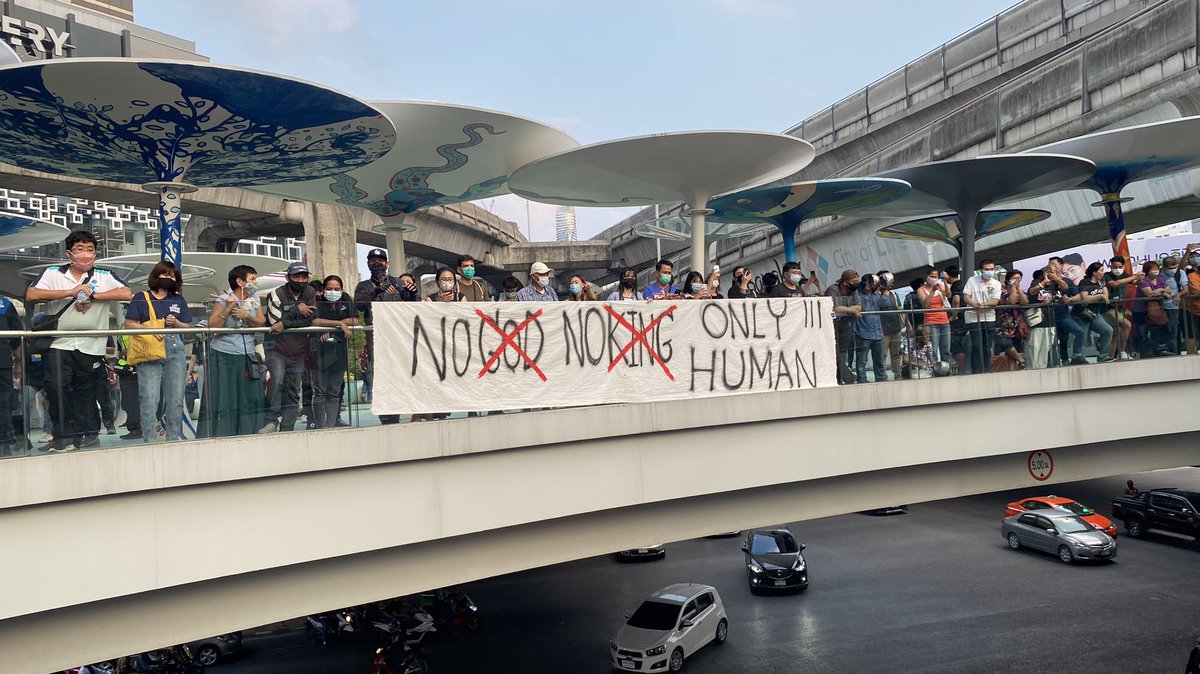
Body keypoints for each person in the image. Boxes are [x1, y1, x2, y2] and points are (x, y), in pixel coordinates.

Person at [26, 230, 132, 452]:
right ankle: (62, 435)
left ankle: (87, 436)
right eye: (80, 250)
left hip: (91, 344)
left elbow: (126, 293)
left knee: (86, 392)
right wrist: (71, 292)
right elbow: (32, 294)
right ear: (69, 253)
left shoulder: (104, 274)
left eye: (90, 250)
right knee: (57, 388)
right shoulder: (53, 272)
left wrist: (94, 295)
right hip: (58, 342)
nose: (85, 255)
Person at [123, 262, 191, 443]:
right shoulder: (141, 296)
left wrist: (175, 323)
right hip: (149, 348)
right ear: (156, 275)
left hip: (175, 348)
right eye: (165, 274)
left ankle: (173, 439)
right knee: (149, 397)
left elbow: (187, 328)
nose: (169, 278)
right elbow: (129, 323)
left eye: (173, 275)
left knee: (176, 398)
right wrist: (150, 330)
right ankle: (149, 441)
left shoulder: (178, 299)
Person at [198, 265, 265, 438]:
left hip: (247, 354)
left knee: (247, 397)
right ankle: (220, 433)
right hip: (224, 354)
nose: (254, 282)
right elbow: (212, 326)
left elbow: (261, 322)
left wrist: (246, 315)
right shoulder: (223, 299)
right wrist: (228, 308)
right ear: (239, 281)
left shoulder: (255, 297)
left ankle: (248, 431)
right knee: (224, 397)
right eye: (251, 279)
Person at [354, 249, 419, 425]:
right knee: (382, 375)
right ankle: (388, 414)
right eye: (373, 261)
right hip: (377, 338)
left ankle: (408, 409)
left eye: (380, 261)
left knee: (402, 372)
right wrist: (376, 291)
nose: (377, 264)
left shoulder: (397, 282)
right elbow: (359, 306)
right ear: (368, 264)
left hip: (398, 336)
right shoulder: (363, 286)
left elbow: (411, 304)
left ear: (387, 263)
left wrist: (413, 294)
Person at [260, 262, 317, 433]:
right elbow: (273, 323)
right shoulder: (276, 294)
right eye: (296, 276)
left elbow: (310, 320)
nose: (300, 280)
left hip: (299, 350)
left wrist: (286, 321)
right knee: (276, 382)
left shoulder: (310, 292)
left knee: (293, 388)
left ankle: (288, 427)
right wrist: (297, 310)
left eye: (304, 276)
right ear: (287, 277)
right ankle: (271, 420)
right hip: (276, 348)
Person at [311, 275, 358, 429]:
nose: (333, 292)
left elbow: (355, 319)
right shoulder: (318, 301)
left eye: (336, 289)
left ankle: (330, 426)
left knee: (334, 391)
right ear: (323, 290)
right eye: (329, 289)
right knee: (320, 392)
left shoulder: (345, 299)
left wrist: (335, 328)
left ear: (342, 289)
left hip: (339, 351)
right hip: (319, 351)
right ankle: (321, 426)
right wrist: (338, 323)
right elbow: (314, 321)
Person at [960, 260, 1002, 375]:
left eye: (992, 269)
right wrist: (974, 305)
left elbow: (995, 301)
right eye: (987, 269)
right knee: (976, 345)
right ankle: (977, 370)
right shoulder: (972, 280)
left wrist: (982, 305)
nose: (989, 271)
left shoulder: (996, 283)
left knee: (987, 346)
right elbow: (966, 297)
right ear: (981, 270)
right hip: (973, 318)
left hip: (989, 318)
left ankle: (987, 369)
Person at [1073, 261, 1115, 364]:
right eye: (1101, 271)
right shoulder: (1084, 282)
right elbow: (1085, 298)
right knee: (1082, 335)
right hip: (1082, 313)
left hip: (1094, 313)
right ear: (1094, 272)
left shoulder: (1102, 282)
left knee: (1107, 330)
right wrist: (1099, 296)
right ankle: (1078, 356)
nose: (1102, 273)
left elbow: (1106, 295)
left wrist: (1099, 297)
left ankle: (1103, 355)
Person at [826, 270, 863, 385]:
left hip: (846, 326)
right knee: (834, 353)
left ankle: (842, 377)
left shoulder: (854, 291)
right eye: (854, 281)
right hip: (833, 326)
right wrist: (850, 310)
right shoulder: (833, 290)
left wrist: (846, 310)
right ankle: (847, 378)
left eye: (857, 281)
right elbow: (834, 308)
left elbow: (859, 306)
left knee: (842, 353)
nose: (856, 283)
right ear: (845, 282)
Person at [852, 274, 888, 383]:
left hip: (878, 332)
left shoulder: (876, 295)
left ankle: (881, 378)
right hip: (863, 332)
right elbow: (861, 307)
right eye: (870, 283)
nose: (872, 285)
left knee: (879, 360)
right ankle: (862, 380)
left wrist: (885, 293)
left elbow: (886, 304)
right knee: (862, 361)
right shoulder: (857, 295)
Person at [1103, 256, 1140, 360]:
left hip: (1121, 308)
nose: (1117, 269)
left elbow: (1135, 282)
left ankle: (1110, 356)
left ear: (1123, 266)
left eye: (1120, 266)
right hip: (1108, 308)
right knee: (1127, 325)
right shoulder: (1106, 275)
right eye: (1115, 267)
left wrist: (1140, 278)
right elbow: (1114, 284)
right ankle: (1122, 352)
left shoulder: (1125, 275)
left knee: (1117, 333)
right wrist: (1133, 277)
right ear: (1110, 266)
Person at [1134, 260, 1172, 358]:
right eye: (1152, 269)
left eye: (1156, 269)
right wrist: (1164, 293)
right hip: (1141, 310)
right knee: (1143, 333)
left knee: (1159, 330)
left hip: (1157, 310)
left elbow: (1169, 291)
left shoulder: (1160, 279)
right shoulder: (1143, 281)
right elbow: (1149, 294)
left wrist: (1161, 290)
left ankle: (1161, 350)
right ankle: (1145, 353)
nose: (1155, 271)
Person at [995, 269, 1029, 368]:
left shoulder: (1021, 291)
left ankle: (1012, 371)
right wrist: (1013, 288)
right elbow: (1011, 301)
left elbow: (1024, 302)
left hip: (1017, 324)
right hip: (1004, 323)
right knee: (1006, 344)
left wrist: (1018, 289)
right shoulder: (1003, 291)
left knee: (1013, 348)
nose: (1017, 280)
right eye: (1015, 278)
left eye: (1019, 278)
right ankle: (1020, 359)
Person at [0, 293, 21, 455]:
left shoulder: (5, 304)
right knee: (3, 400)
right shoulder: (5, 304)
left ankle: (5, 435)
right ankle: (5, 435)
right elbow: (17, 335)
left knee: (3, 400)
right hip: (3, 360)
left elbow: (17, 335)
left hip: (3, 361)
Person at [1024, 269, 1056, 370]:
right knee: (1034, 348)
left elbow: (1065, 287)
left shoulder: (1054, 284)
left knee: (1045, 349)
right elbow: (1031, 292)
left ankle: (1042, 369)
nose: (1051, 274)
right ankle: (1031, 370)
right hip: (1037, 322)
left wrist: (1056, 279)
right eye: (1049, 272)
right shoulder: (1036, 282)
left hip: (1050, 321)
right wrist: (1043, 283)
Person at [875, 271, 903, 380]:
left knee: (896, 354)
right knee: (882, 354)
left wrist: (907, 325)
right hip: (882, 330)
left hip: (896, 328)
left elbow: (900, 310)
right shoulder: (876, 295)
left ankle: (898, 374)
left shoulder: (894, 295)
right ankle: (883, 375)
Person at [918, 269, 950, 363]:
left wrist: (945, 282)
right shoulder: (921, 290)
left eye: (936, 277)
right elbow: (926, 305)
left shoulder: (940, 286)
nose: (934, 279)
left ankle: (946, 370)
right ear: (926, 276)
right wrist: (933, 291)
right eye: (932, 276)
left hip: (944, 321)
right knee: (933, 350)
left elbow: (948, 295)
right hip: (931, 322)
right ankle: (935, 370)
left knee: (946, 349)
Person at [945, 266, 968, 375]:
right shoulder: (963, 284)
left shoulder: (955, 286)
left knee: (956, 345)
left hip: (958, 319)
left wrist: (954, 315)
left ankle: (961, 371)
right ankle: (961, 370)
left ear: (948, 275)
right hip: (965, 317)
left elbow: (956, 300)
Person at [1161, 255, 1185, 355]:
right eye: (1170, 268)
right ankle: (1170, 350)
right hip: (1162, 306)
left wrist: (1178, 295)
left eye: (1174, 267)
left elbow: (1186, 288)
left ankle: (1176, 350)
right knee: (1168, 329)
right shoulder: (1160, 275)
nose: (1173, 270)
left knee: (1175, 329)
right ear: (1164, 267)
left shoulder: (1180, 273)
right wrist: (1163, 292)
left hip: (1176, 306)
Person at [1186, 243, 1200, 354]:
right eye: (1192, 257)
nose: (1195, 259)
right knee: (1195, 331)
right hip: (1195, 309)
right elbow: (1196, 291)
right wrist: (1187, 251)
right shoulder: (1190, 274)